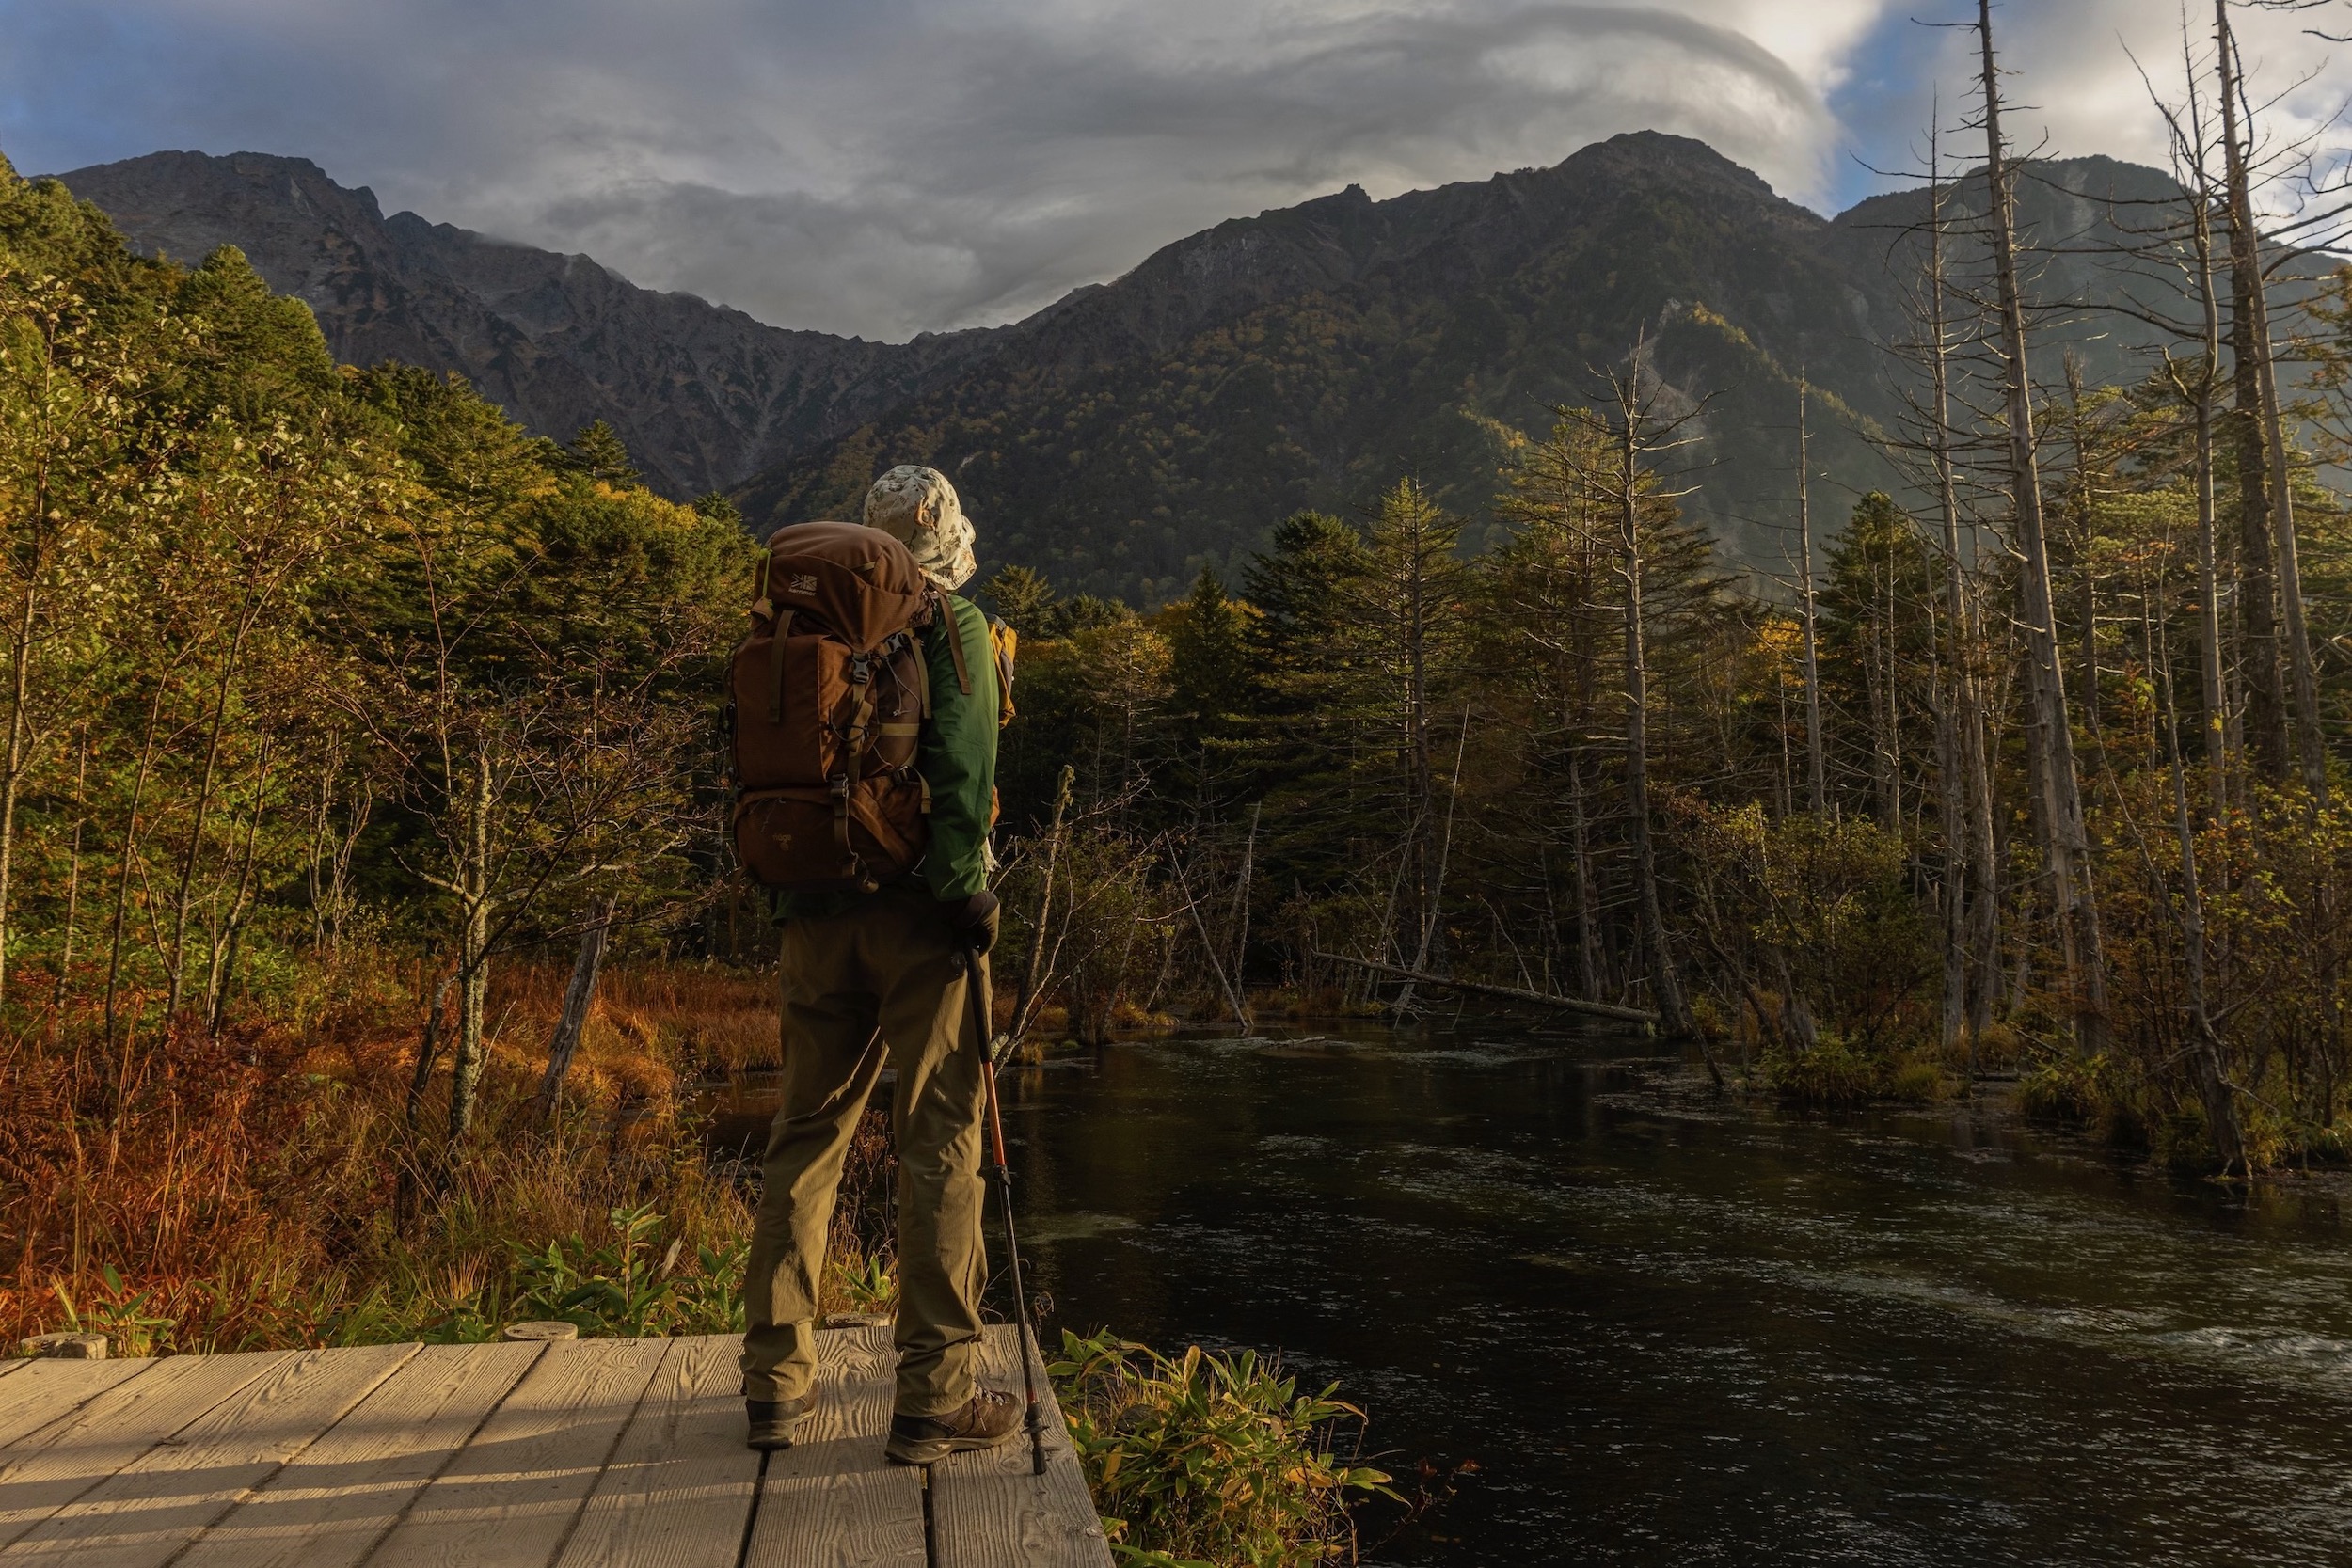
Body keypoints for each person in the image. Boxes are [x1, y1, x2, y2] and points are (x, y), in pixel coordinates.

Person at [739, 465, 1017, 1465]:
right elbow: (964, 764)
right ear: (949, 541)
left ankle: (775, 1387)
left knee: (804, 1135)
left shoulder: (800, 625)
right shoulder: (954, 626)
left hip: (813, 913)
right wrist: (965, 893)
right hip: (917, 921)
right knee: (939, 1143)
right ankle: (934, 1400)